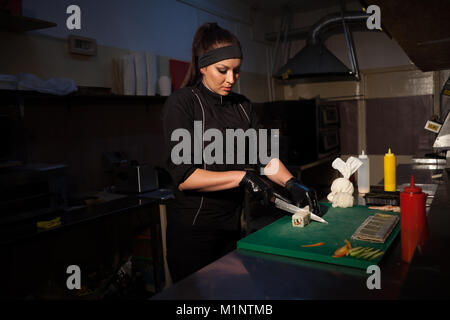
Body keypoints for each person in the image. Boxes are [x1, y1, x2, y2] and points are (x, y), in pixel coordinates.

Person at [161, 22, 320, 283]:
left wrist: (292, 183)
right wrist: (242, 177)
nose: (231, 79)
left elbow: (266, 158)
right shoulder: (182, 104)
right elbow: (185, 177)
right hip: (193, 235)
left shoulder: (243, 106)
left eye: (236, 71)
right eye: (222, 70)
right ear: (203, 66)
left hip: (231, 227)